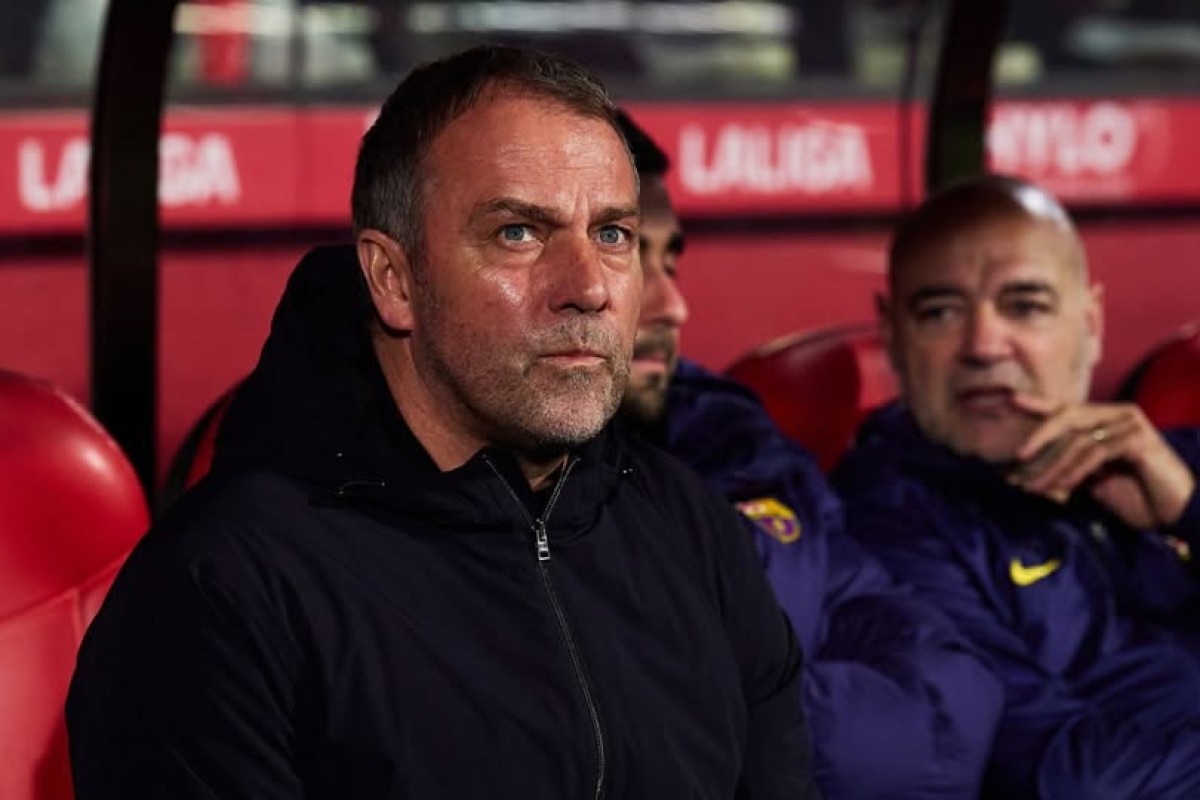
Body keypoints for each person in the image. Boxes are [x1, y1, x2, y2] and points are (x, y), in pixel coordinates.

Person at [66, 46, 820, 799]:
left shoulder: (692, 530)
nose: (589, 286)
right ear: (394, 280)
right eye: (519, 233)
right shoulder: (218, 594)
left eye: (612, 234)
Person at [615, 109, 1003, 799]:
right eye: (623, 253)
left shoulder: (738, 443)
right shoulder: (511, 491)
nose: (673, 305)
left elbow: (955, 687)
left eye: (669, 261)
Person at [833, 173, 1200, 798]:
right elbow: (1072, 782)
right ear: (892, 335)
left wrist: (1190, 510)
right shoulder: (884, 533)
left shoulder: (1167, 461)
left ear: (1091, 323)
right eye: (940, 312)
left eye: (1025, 306)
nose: (983, 346)